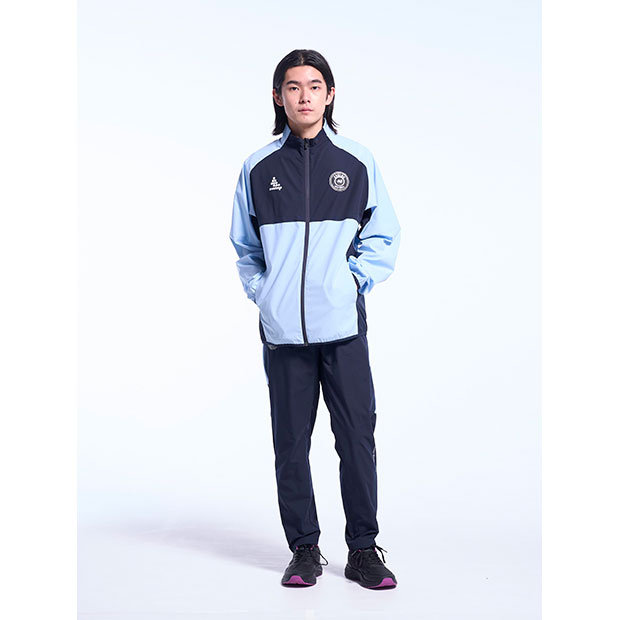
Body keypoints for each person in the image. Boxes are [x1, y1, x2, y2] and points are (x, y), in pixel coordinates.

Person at [229, 49, 401, 589]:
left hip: (343, 331)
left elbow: (383, 236)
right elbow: (245, 247)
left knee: (356, 440)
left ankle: (363, 550)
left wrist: (351, 283)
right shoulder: (258, 168)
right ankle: (304, 549)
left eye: (314, 86)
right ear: (277, 96)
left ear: (329, 95)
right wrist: (266, 295)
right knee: (290, 445)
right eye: (293, 86)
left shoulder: (356, 162)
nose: (304, 96)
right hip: (283, 335)